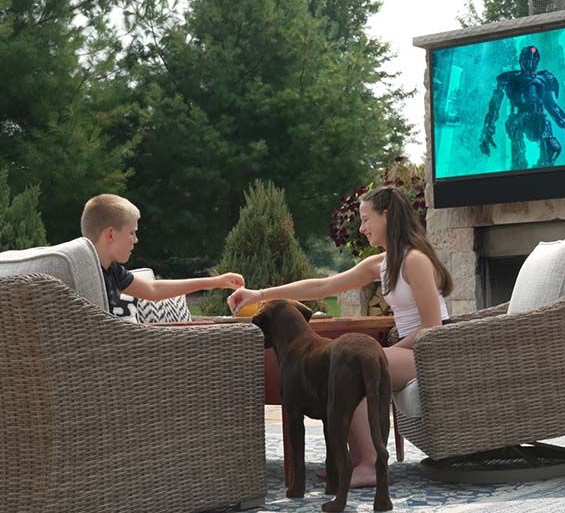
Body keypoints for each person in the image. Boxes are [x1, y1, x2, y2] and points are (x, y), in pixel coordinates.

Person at [227, 185, 453, 487]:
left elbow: (432, 328)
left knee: (355, 366)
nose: (361, 228)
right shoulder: (382, 263)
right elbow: (323, 286)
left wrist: (384, 351)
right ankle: (352, 460)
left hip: (431, 353)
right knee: (337, 367)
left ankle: (371, 465)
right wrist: (260, 294)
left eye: (366, 219)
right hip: (410, 351)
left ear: (386, 216)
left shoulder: (416, 261)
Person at [81, 194, 245, 321]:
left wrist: (216, 282)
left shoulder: (111, 269)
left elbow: (153, 289)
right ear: (111, 234)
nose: (136, 240)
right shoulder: (82, 275)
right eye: (132, 233)